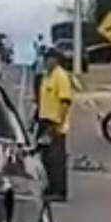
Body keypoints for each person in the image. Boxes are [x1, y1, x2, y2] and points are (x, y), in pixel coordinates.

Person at [37, 47, 73, 202]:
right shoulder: (46, 76)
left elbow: (65, 101)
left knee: (56, 159)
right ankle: (51, 188)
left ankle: (59, 191)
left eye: (49, 59)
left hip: (56, 122)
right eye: (45, 59)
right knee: (46, 159)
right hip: (44, 120)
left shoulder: (61, 76)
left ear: (56, 60)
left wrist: (60, 122)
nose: (46, 62)